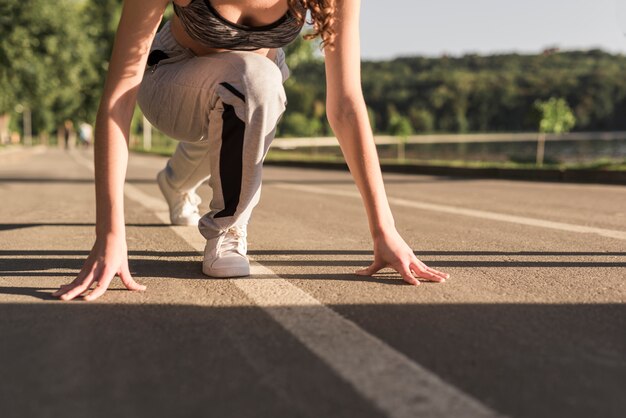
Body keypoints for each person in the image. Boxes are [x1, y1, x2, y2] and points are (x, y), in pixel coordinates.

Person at [53, 0, 449, 301]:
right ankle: (227, 229)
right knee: (256, 78)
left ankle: (175, 183)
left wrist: (384, 230)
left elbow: (345, 103)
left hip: (237, 94)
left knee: (252, 88)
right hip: (168, 79)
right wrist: (109, 234)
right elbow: (117, 99)